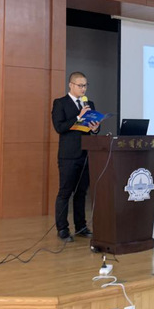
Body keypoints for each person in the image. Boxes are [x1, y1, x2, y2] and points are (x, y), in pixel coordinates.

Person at [51, 72, 100, 241]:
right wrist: (79, 117)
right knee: (65, 192)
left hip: (85, 154)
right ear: (71, 85)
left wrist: (95, 128)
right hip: (68, 156)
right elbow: (59, 127)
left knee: (81, 193)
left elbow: (93, 128)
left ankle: (81, 227)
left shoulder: (89, 104)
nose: (83, 89)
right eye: (80, 85)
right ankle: (62, 229)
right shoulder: (60, 103)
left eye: (85, 85)